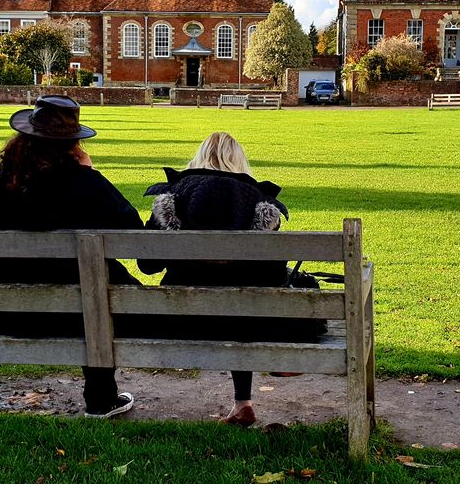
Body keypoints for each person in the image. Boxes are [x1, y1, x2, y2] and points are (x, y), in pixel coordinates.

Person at [0, 95, 143, 418]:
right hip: (76, 315)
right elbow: (134, 238)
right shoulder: (86, 183)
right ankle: (100, 398)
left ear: (24, 139)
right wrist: (88, 174)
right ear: (72, 144)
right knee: (100, 299)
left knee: (94, 297)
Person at [138, 132, 325, 427]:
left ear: (198, 158)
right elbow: (272, 276)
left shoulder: (172, 197)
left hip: (180, 321)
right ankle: (243, 402)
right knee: (243, 301)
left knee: (229, 300)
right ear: (239, 161)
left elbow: (146, 265)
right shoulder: (260, 204)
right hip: (247, 324)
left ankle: (242, 406)